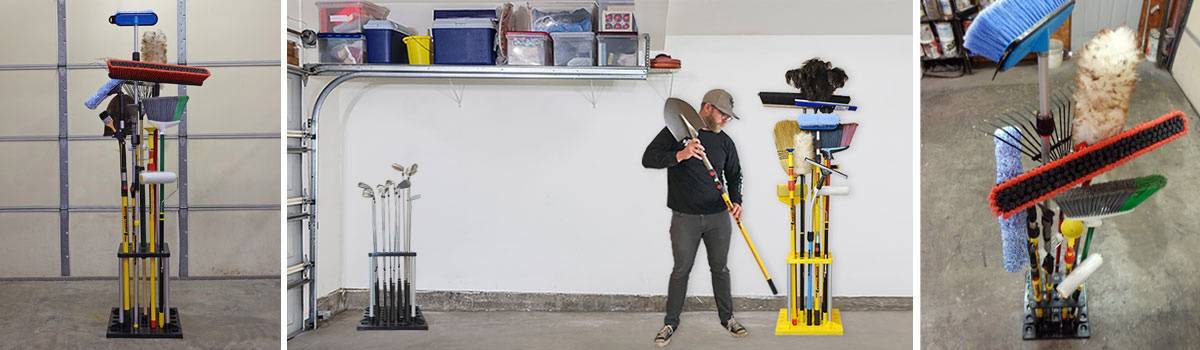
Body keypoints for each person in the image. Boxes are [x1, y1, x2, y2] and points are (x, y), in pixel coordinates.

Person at [641, 89, 747, 347]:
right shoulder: (676, 132)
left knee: (720, 269)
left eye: (729, 117)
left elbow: (734, 175)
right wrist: (682, 154)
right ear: (708, 108)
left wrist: (737, 202)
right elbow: (648, 159)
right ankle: (670, 323)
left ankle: (728, 318)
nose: (725, 120)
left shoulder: (724, 143)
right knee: (681, 271)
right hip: (684, 218)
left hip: (718, 218)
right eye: (723, 114)